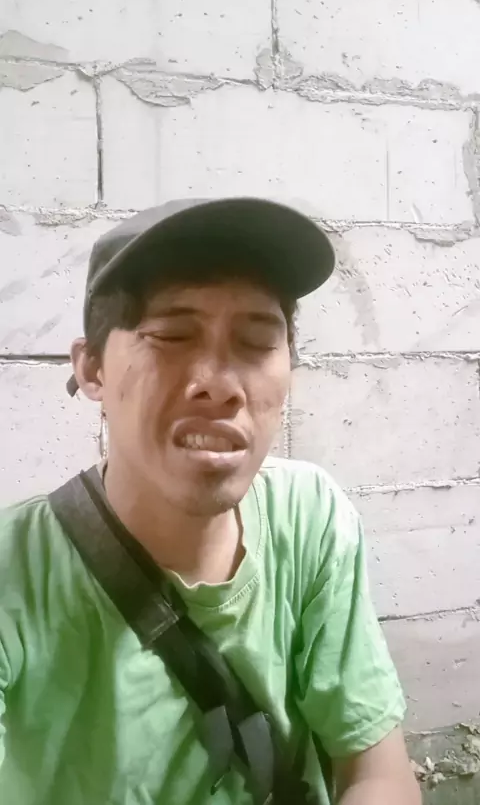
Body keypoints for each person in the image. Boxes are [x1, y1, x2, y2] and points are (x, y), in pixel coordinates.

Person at [0, 198, 420, 805]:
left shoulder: (309, 517)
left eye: (258, 341)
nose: (220, 385)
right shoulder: (15, 572)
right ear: (91, 370)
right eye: (172, 336)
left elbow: (376, 773)